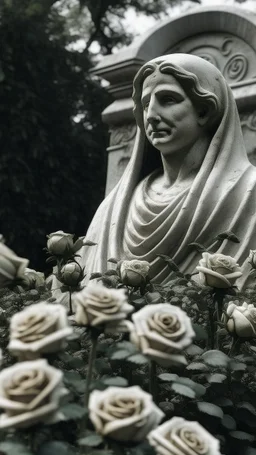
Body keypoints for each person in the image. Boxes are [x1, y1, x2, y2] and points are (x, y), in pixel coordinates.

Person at [80, 53, 256, 288]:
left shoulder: (248, 192)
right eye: (145, 104)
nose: (151, 115)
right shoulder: (114, 207)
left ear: (204, 111)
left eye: (168, 99)